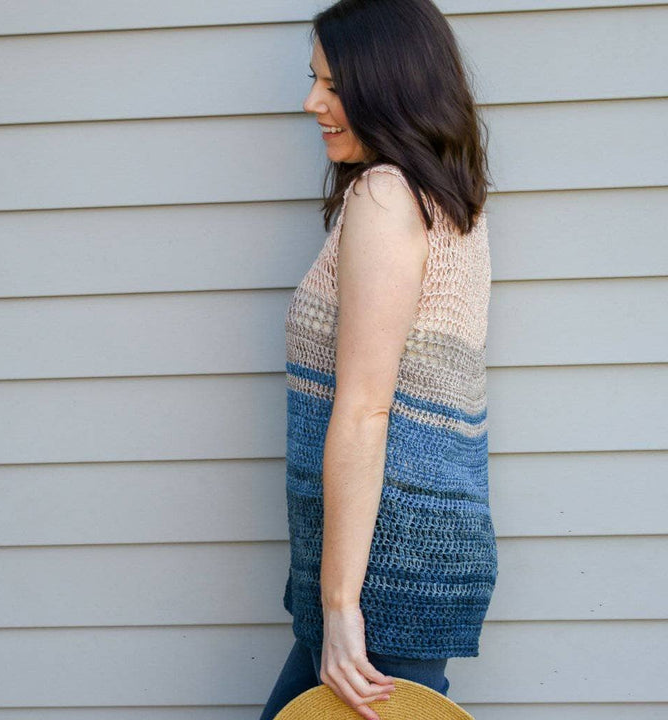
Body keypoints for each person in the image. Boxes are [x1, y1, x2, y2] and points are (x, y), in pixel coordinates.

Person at [260, 1, 498, 719]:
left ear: (386, 85)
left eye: (333, 85)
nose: (312, 103)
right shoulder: (443, 197)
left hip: (383, 576)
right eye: (315, 81)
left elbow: (365, 409)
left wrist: (340, 605)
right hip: (393, 564)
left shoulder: (388, 196)